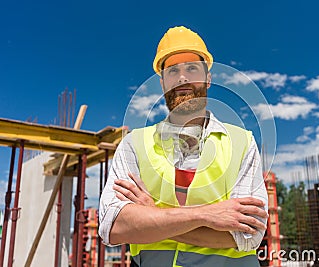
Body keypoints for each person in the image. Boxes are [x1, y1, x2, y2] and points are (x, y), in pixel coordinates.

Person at [99, 26, 268, 267]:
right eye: (173, 70)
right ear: (162, 82)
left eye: (191, 68)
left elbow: (248, 235)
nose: (182, 77)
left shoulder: (242, 143)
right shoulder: (133, 145)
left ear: (208, 78)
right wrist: (207, 215)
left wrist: (153, 215)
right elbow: (112, 226)